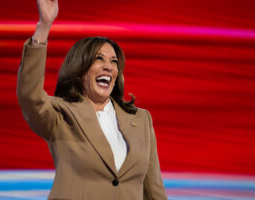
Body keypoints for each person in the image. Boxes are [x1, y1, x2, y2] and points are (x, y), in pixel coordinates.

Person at [17, 0, 167, 199]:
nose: (108, 67)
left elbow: (153, 189)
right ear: (80, 70)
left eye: (113, 61)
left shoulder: (141, 119)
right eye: (99, 59)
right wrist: (44, 26)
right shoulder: (61, 115)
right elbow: (30, 96)